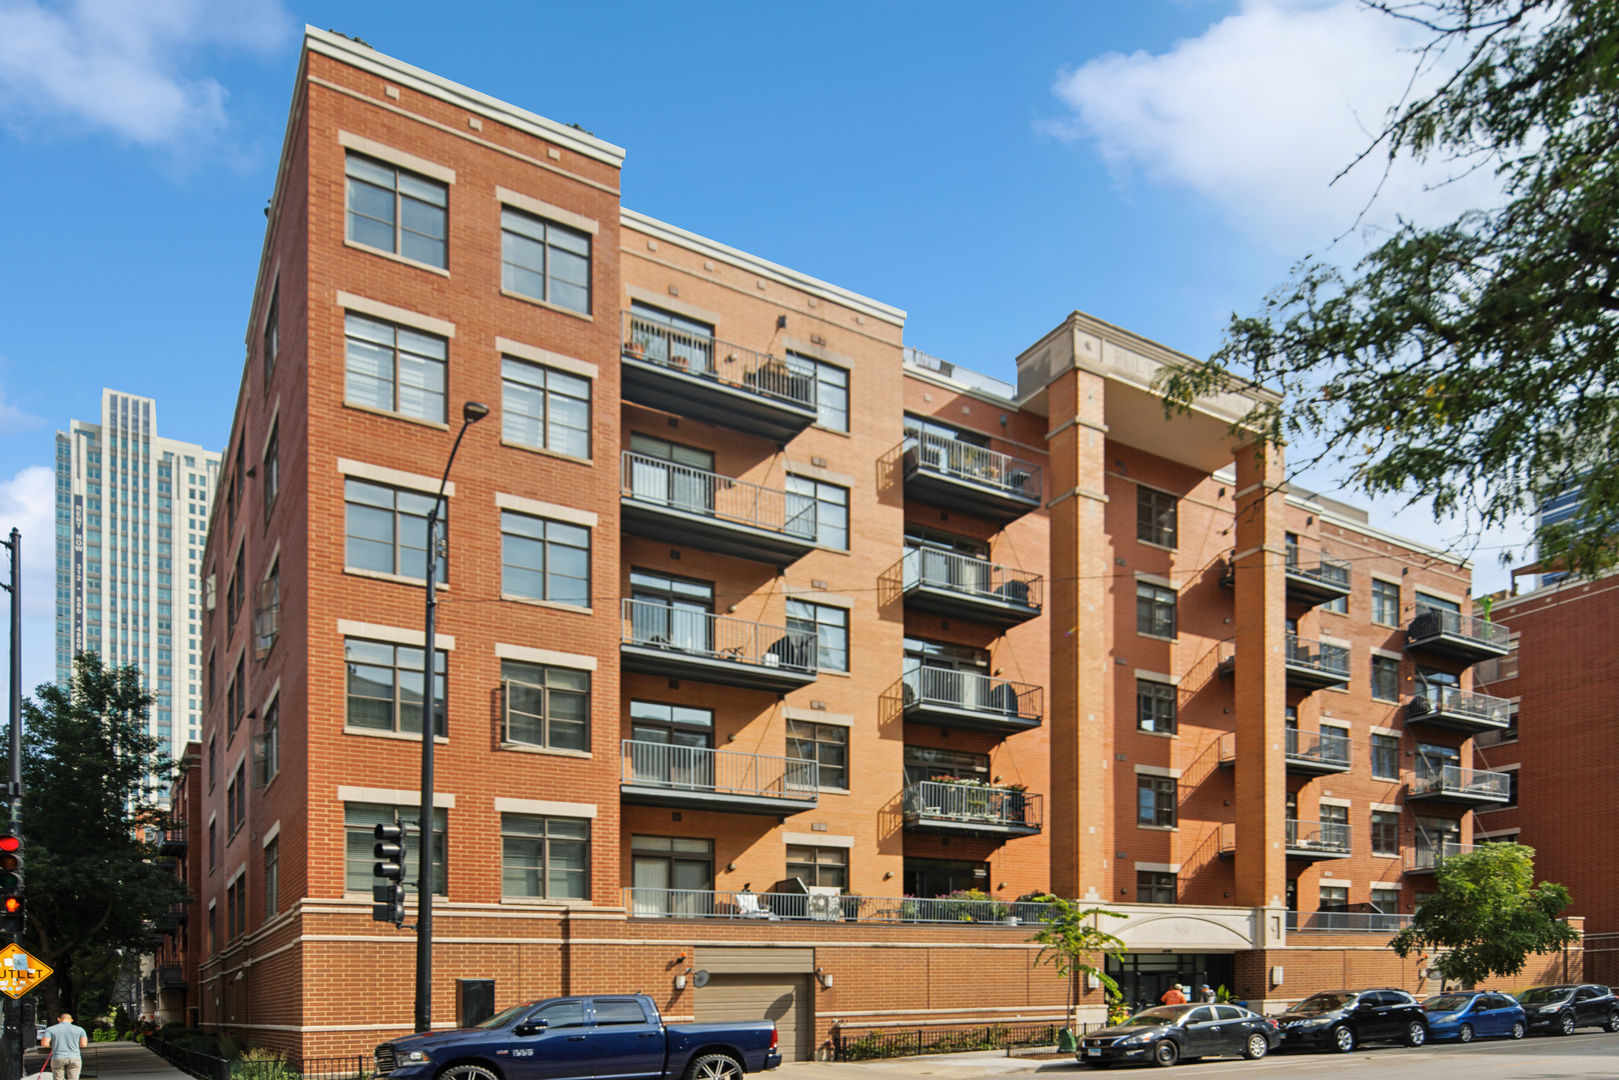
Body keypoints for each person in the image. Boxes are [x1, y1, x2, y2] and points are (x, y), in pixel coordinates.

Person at [41, 1012, 88, 1080]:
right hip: (75, 1057)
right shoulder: (80, 1029)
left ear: (58, 1019)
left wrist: (53, 1045)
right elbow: (83, 1044)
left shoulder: (50, 1029)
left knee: (58, 1078)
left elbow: (45, 1044)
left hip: (58, 1057)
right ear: (71, 1020)